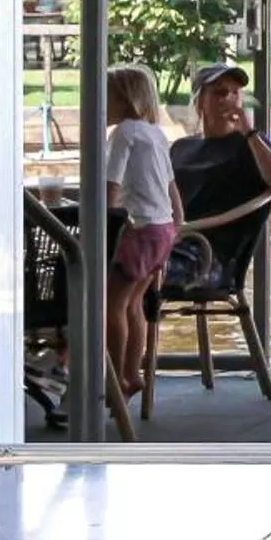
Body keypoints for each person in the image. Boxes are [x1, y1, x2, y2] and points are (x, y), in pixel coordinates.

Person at [103, 64, 181, 398]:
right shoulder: (156, 133)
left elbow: (111, 184)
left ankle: (116, 376)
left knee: (112, 305)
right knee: (134, 304)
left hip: (141, 229)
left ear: (124, 99)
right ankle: (132, 372)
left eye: (105, 96)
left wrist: (102, 221)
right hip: (162, 230)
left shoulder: (124, 133)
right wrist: (176, 223)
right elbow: (171, 187)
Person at [170, 61, 271, 220]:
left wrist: (249, 132)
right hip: (173, 233)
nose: (228, 98)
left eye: (235, 92)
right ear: (199, 102)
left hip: (205, 240)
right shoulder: (181, 147)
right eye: (220, 92)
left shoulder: (250, 144)